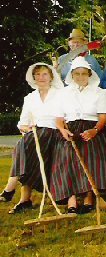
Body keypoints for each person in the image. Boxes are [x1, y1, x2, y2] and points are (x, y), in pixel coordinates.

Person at [50, 57, 106, 214]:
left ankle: (89, 197)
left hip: (92, 128)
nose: (80, 77)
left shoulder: (99, 92)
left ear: (89, 74)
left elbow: (103, 117)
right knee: (66, 156)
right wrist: (62, 130)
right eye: (77, 74)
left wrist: (94, 130)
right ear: (72, 75)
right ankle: (71, 199)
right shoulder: (63, 93)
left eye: (83, 73)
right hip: (70, 129)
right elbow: (58, 118)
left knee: (92, 153)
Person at [3, 63, 63, 213]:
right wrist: (27, 128)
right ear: (33, 78)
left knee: (24, 145)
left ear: (51, 77)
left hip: (55, 132)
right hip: (34, 134)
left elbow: (65, 117)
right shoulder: (30, 98)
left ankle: (11, 189)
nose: (41, 77)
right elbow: (22, 123)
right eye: (37, 75)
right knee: (25, 144)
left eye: (44, 74)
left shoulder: (61, 94)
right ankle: (24, 200)